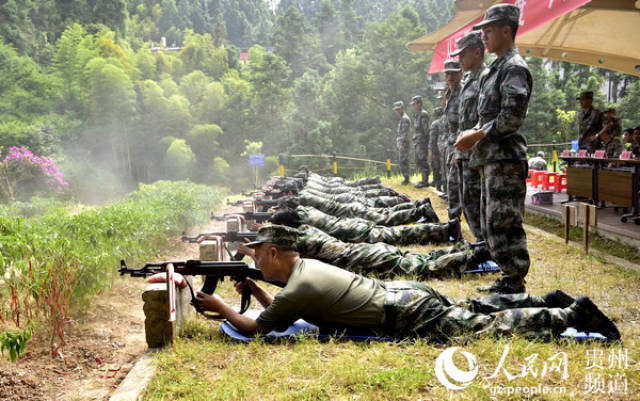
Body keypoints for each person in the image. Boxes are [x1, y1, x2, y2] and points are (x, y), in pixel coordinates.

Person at [196, 225, 620, 342]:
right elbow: (285, 310)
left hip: (403, 312)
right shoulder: (306, 270)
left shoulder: (299, 286)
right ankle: (539, 299)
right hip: (405, 296)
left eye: (255, 255)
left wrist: (222, 309)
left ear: (273, 253)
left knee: (484, 329)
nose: (253, 261)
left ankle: (569, 314)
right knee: (469, 309)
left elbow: (259, 326)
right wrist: (253, 292)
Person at [454, 4, 532, 294]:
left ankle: (514, 282)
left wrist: (475, 135)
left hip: (506, 161)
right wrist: (474, 142)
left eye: (488, 30)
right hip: (491, 160)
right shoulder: (495, 70)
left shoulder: (513, 68)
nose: (483, 36)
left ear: (506, 30)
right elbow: (485, 117)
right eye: (482, 30)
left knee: (504, 223)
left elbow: (511, 119)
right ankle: (508, 278)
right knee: (490, 224)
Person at [239, 220, 482, 280]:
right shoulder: (306, 231)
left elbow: (272, 256)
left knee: (425, 267)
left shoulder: (302, 245)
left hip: (369, 258)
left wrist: (245, 249)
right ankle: (468, 248)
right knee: (420, 259)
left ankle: (476, 255)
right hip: (370, 252)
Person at [451, 31, 487, 242]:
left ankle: (485, 244)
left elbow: (484, 120)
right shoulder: (467, 81)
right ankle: (480, 243)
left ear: (477, 51)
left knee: (478, 203)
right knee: (468, 203)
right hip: (464, 153)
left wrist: (476, 152)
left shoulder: (485, 78)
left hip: (477, 152)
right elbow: (462, 122)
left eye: (463, 55)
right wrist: (458, 151)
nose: (460, 60)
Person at [284, 205, 461, 245]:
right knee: (392, 224)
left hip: (357, 231)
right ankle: (442, 226)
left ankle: (446, 229)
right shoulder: (305, 210)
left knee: (399, 233)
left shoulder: (306, 226)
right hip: (354, 225)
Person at [277, 192, 439, 226]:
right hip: (351, 209)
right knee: (385, 214)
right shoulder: (304, 205)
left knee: (385, 218)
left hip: (352, 211)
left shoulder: (304, 205)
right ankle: (418, 206)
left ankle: (420, 210)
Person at [443, 60, 463, 219]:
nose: (450, 76)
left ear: (460, 74)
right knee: (452, 187)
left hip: (462, 148)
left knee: (457, 187)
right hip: (452, 147)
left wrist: (458, 151)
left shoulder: (463, 93)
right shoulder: (448, 94)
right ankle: (453, 222)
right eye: (447, 73)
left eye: (454, 73)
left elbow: (465, 124)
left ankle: (454, 220)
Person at [411, 96, 431, 188]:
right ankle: (423, 179)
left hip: (422, 141)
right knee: (419, 160)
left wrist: (426, 142)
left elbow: (426, 130)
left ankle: (425, 180)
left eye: (415, 104)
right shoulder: (417, 114)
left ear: (419, 104)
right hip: (418, 141)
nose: (413, 106)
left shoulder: (423, 114)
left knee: (423, 160)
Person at [394, 101, 412, 185]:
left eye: (398, 109)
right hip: (402, 143)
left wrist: (401, 144)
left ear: (402, 108)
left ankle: (406, 179)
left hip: (404, 144)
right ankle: (406, 178)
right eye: (396, 110)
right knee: (402, 161)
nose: (397, 111)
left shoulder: (405, 119)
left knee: (404, 161)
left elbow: (405, 133)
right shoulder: (402, 119)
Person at [429, 107, 444, 192]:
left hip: (435, 149)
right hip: (442, 148)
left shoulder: (435, 123)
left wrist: (430, 150)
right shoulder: (443, 122)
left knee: (436, 168)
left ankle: (438, 186)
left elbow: (432, 139)